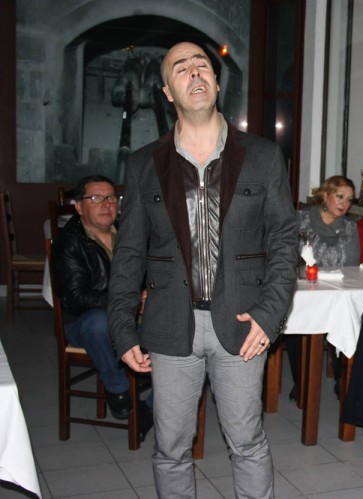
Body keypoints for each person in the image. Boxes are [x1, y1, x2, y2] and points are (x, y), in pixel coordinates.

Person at [108, 41, 298, 498]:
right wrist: (121, 327)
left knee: (247, 442)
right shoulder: (143, 166)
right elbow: (129, 252)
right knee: (171, 447)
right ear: (167, 92)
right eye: (181, 68)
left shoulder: (262, 156)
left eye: (202, 66)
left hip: (242, 322)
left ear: (215, 81)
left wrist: (270, 316)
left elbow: (284, 242)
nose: (195, 73)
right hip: (170, 325)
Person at [51, 175, 135, 420]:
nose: (106, 203)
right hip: (85, 322)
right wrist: (125, 299)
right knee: (98, 322)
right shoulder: (69, 243)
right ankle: (117, 387)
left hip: (131, 316)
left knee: (182, 323)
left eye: (110, 197)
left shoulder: (131, 234)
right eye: (96, 198)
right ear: (79, 207)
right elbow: (76, 298)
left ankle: (151, 408)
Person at [288, 175, 360, 401]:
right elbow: (287, 254)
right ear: (325, 195)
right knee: (292, 321)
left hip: (334, 293)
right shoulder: (300, 219)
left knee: (346, 317)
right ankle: (301, 382)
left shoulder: (350, 227)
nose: (344, 204)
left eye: (349, 200)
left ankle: (343, 381)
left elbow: (352, 267)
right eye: (340, 197)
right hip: (302, 289)